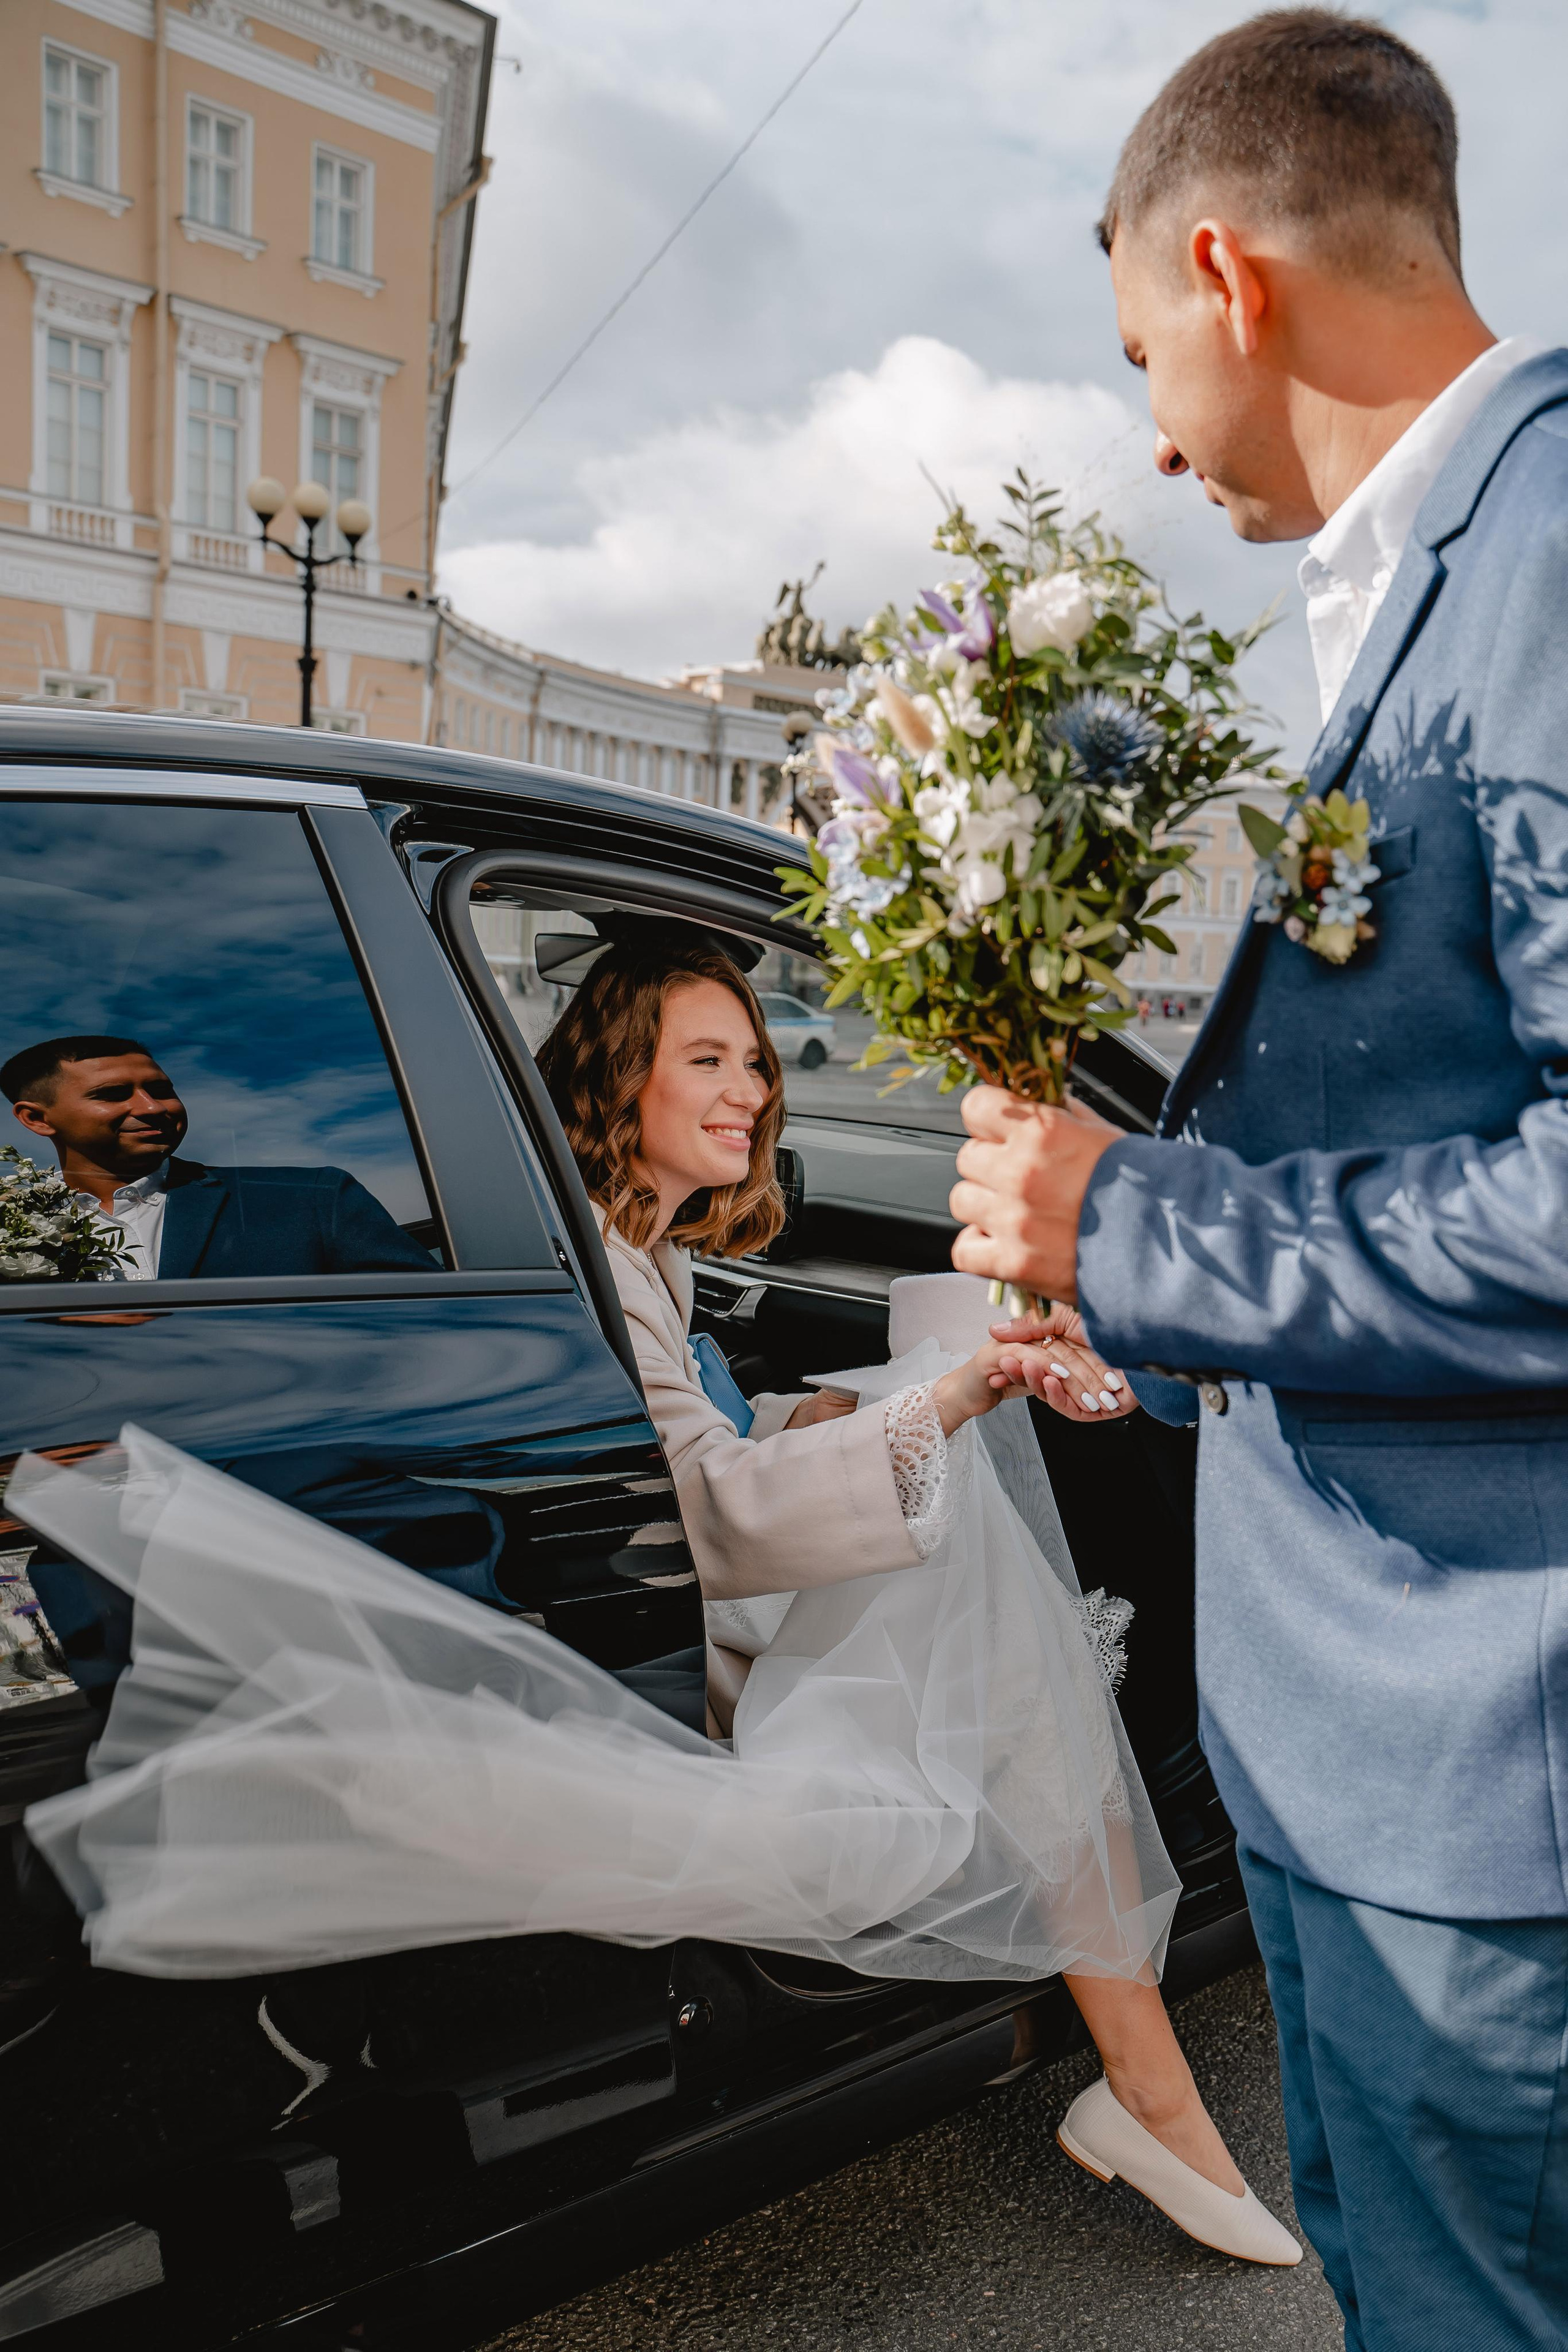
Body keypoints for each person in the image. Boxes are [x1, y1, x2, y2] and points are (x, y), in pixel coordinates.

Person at [953, 15, 1568, 2348]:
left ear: (1222, 271)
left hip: (1476, 1770)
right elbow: (1408, 1119)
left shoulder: (1532, 551)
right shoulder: (1416, 567)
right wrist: (1161, 1319)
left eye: (1136, 349)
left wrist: (1136, 1222)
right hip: (1352, 1741)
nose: (1142, 422)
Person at [535, 935, 1299, 2266]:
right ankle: (1147, 2092)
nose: (753, 1092)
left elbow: (704, 1439)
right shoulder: (608, 1261)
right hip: (707, 1626)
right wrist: (950, 1397)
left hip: (730, 1577)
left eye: (757, 1062)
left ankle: (1148, 2089)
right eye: (706, 1061)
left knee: (981, 1558)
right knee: (989, 1576)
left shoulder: (642, 1244)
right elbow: (711, 1510)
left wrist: (858, 1400)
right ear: (619, 1080)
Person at [1, 1036, 435, 1277]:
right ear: (37, 1119)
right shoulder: (8, 1228)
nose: (153, 1107)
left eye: (162, 1090)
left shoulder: (314, 1199)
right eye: (112, 1095)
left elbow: (426, 1324)